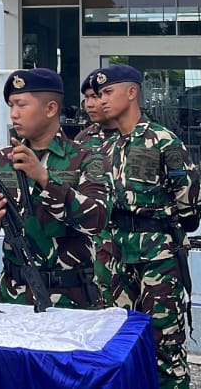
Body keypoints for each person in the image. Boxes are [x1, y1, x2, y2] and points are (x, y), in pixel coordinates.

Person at [95, 65, 201, 389]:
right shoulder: (108, 147)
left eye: (108, 92)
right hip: (116, 255)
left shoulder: (163, 141)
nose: (102, 100)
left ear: (132, 93)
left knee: (165, 344)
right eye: (99, 94)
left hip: (158, 257)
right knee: (117, 341)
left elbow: (189, 205)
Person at [0, 68, 110, 309]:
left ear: (50, 109)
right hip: (14, 297)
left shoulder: (88, 159)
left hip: (70, 299)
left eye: (22, 105)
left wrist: (45, 179)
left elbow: (97, 220)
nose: (14, 114)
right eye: (11, 105)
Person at [76, 69, 126, 308]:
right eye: (87, 98)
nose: (91, 104)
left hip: (132, 246)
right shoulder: (83, 140)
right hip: (94, 248)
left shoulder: (138, 137)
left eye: (97, 96)